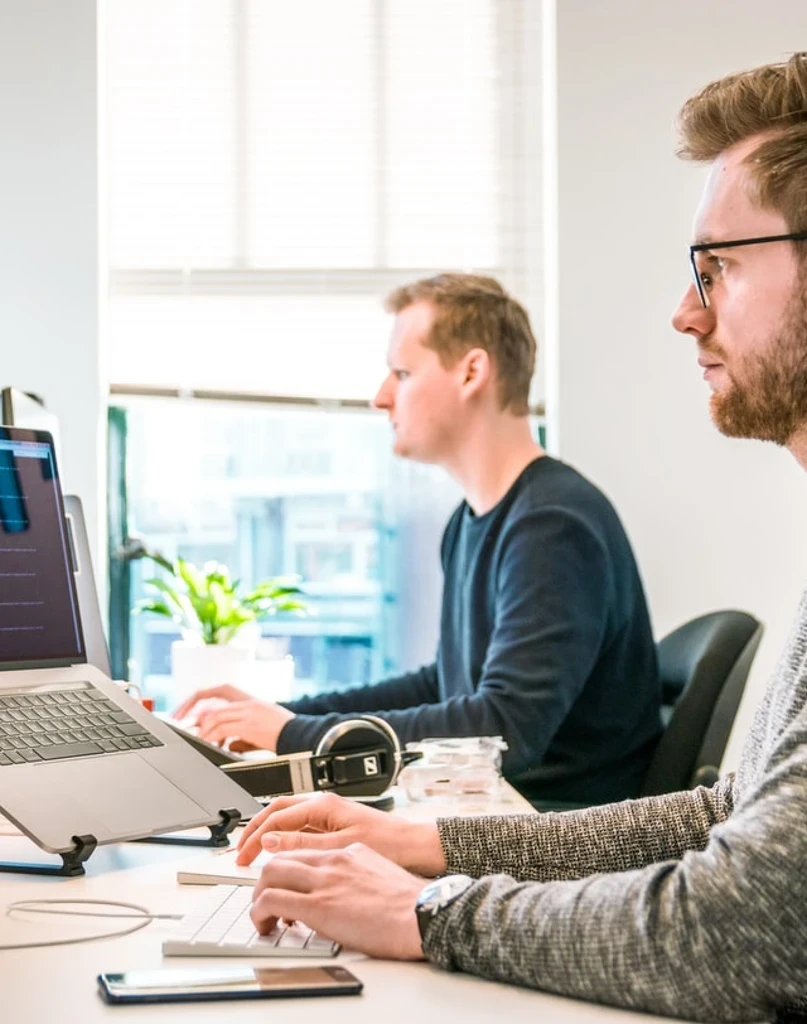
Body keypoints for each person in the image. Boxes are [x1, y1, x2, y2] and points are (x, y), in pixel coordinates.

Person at [231, 53, 807, 1023]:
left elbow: (747, 926)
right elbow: (726, 815)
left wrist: (428, 908)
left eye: (718, 268)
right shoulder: (474, 526)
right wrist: (428, 845)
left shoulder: (555, 518)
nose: (685, 310)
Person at [175, 273, 661, 807]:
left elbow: (504, 730)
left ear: (472, 372)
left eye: (402, 373)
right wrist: (287, 716)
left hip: (551, 831)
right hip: (497, 811)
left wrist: (293, 735)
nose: (380, 398)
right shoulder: (473, 521)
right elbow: (444, 685)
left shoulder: (553, 525)